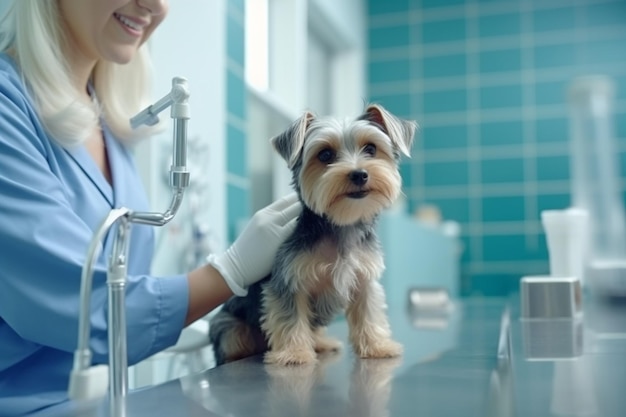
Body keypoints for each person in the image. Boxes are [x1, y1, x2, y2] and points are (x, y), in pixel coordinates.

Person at [0, 1, 300, 415]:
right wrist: (228, 272)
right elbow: (85, 306)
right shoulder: (7, 108)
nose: (156, 6)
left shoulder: (104, 122)